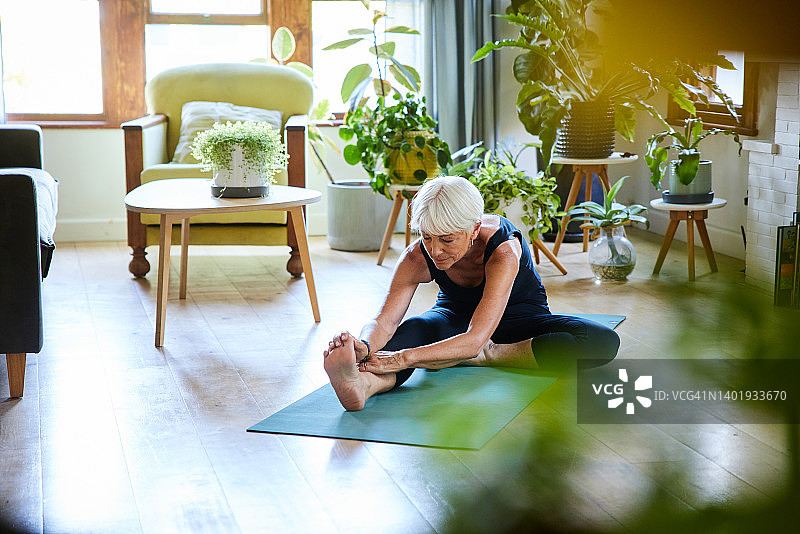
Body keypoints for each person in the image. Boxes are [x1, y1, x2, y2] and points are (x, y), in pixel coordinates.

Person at [323, 176, 620, 411]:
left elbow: (475, 340)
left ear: (474, 229)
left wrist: (403, 358)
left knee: (601, 341)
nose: (435, 250)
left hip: (520, 325)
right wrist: (364, 345)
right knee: (416, 328)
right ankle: (364, 386)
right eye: (426, 237)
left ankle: (493, 357)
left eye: (447, 239)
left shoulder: (503, 251)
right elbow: (385, 321)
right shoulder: (417, 256)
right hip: (454, 321)